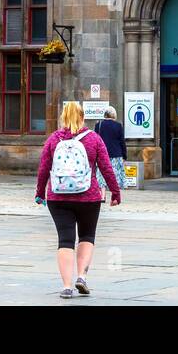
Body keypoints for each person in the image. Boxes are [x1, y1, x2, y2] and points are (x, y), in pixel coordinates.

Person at [35, 101, 121, 298]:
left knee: (65, 240)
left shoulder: (53, 139)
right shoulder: (94, 139)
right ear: (82, 117)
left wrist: (40, 193)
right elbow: (106, 168)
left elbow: (43, 169)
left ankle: (66, 286)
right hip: (88, 196)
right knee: (87, 236)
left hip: (58, 197)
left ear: (63, 118)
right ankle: (81, 276)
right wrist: (115, 193)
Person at [94, 105, 127, 197]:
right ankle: (115, 195)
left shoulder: (98, 125)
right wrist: (124, 155)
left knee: (101, 174)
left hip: (102, 154)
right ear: (114, 115)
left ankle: (102, 196)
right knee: (114, 174)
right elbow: (122, 142)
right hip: (116, 154)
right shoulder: (118, 126)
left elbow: (96, 141)